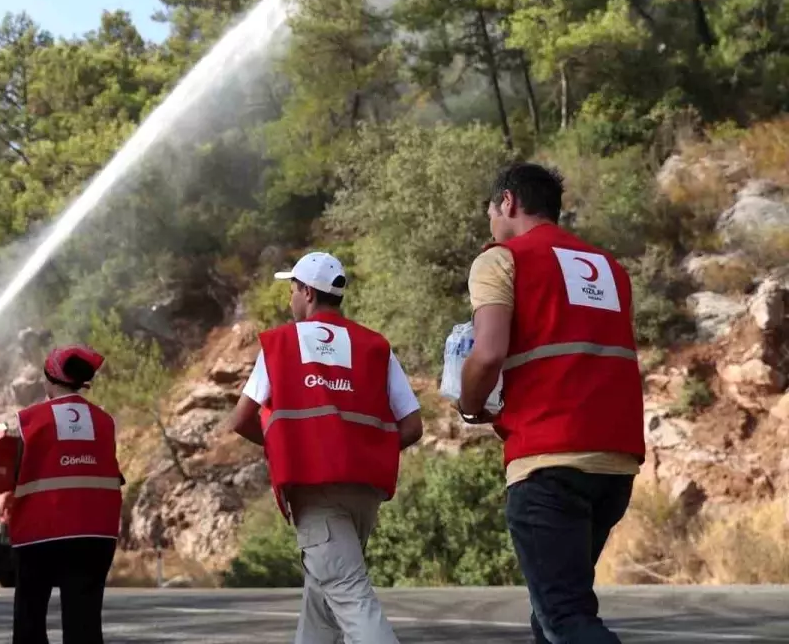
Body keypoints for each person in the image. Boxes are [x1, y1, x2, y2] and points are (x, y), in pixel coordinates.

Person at [459, 163, 644, 644]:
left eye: (490, 211)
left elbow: (488, 353)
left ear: (508, 203)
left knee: (565, 617)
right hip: (615, 462)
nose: (490, 223)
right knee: (552, 615)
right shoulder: (609, 268)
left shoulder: (501, 260)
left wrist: (468, 403)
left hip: (549, 460)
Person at [228, 252, 423, 644]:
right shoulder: (374, 346)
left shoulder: (281, 344)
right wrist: (370, 452)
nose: (290, 298)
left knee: (350, 596)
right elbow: (412, 425)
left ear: (307, 293)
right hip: (364, 494)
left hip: (315, 493)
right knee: (321, 605)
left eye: (292, 289)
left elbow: (240, 420)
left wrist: (288, 449)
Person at [10, 345, 123, 644]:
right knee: (84, 623)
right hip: (96, 532)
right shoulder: (104, 421)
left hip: (40, 532)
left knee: (30, 619)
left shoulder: (29, 420)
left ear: (49, 379)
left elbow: (14, 473)